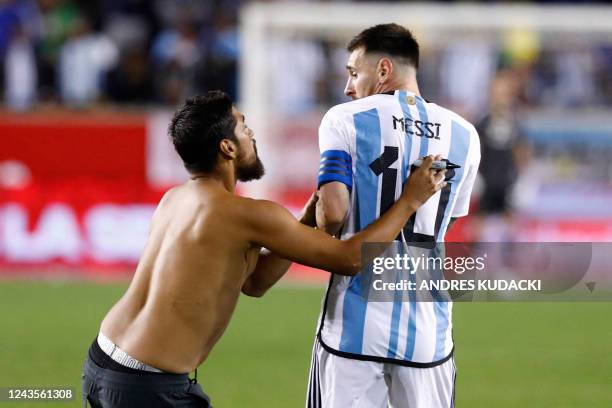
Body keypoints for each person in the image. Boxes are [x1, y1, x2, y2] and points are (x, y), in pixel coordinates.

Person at [81, 90, 446, 408]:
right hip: (149, 387)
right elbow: (350, 258)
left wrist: (300, 226)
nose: (251, 133)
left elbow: (253, 282)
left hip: (104, 359)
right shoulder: (249, 214)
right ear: (227, 147)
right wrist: (409, 202)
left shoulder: (173, 199)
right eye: (243, 126)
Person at [306, 24, 481, 407]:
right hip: (427, 332)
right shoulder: (465, 134)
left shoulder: (344, 119)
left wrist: (319, 212)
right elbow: (446, 224)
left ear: (383, 70)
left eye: (354, 73)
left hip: (354, 328)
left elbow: (332, 215)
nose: (349, 87)